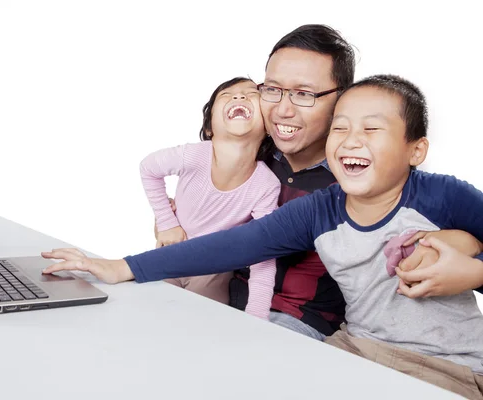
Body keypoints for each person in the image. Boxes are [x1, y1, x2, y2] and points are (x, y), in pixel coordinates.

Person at [40, 74, 483, 398]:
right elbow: (236, 244)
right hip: (353, 350)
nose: (350, 140)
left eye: (371, 129)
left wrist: (474, 271)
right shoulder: (321, 208)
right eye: (341, 128)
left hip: (448, 368)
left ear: (415, 150)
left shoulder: (441, 195)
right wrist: (122, 267)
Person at [158, 24, 482, 341]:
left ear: (342, 100)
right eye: (272, 89)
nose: (283, 109)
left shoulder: (366, 176)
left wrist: (473, 265)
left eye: (304, 94)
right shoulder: (251, 153)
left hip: (301, 325)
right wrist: (172, 220)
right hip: (218, 299)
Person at [138, 76, 280, 318]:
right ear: (209, 128)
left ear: (268, 128)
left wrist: (257, 317)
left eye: (250, 94)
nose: (238, 96)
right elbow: (148, 168)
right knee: (149, 312)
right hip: (171, 252)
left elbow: (264, 251)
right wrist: (166, 221)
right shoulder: (194, 155)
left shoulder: (266, 185)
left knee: (201, 324)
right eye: (227, 95)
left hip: (213, 269)